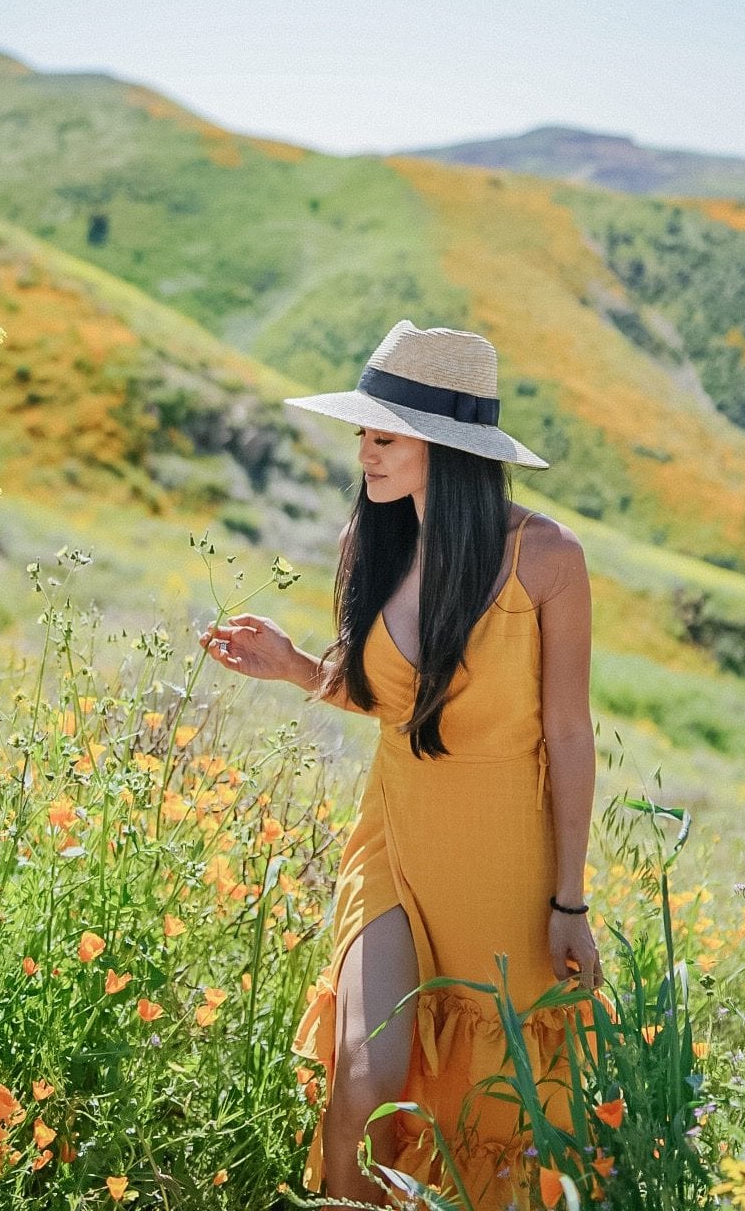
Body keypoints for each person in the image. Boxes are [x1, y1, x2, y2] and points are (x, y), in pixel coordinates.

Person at [199, 320, 602, 1209]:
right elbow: (391, 699)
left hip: (506, 861)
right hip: (393, 839)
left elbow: (571, 737)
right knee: (364, 1072)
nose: (365, 453)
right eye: (364, 435)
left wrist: (570, 900)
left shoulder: (548, 560)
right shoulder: (374, 543)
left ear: (444, 448)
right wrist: (298, 669)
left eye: (382, 436)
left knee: (499, 1111)